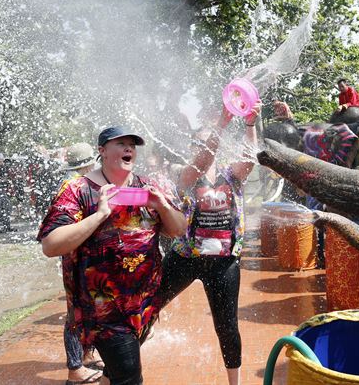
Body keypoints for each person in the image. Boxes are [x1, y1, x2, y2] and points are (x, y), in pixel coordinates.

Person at [37, 126, 186, 385]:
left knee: (115, 373)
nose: (129, 148)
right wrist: (100, 214)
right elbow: (51, 245)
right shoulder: (78, 189)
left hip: (143, 305)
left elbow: (178, 230)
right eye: (121, 143)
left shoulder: (147, 187)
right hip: (102, 309)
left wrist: (162, 206)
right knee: (129, 378)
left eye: (132, 145)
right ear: (102, 151)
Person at [156, 102, 261, 385]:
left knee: (226, 327)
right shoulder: (184, 175)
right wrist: (221, 125)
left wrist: (250, 124)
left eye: (207, 142)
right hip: (185, 258)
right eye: (197, 143)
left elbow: (250, 159)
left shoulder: (231, 174)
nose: (202, 148)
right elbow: (203, 160)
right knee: (147, 306)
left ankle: (234, 383)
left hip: (223, 263)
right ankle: (121, 369)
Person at [54, 142, 105, 385]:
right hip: (75, 257)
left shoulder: (84, 184)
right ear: (89, 163)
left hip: (86, 256)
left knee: (90, 308)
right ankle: (74, 370)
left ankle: (85, 355)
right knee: (75, 312)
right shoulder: (72, 187)